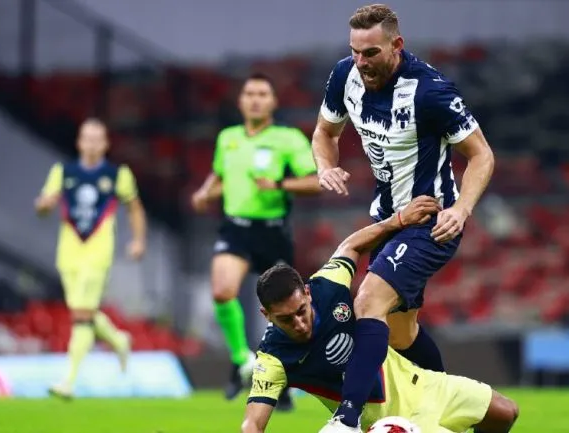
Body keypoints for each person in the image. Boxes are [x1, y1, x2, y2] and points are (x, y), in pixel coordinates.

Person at [310, 4, 495, 429]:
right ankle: (460, 410)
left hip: (430, 221)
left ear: (397, 45)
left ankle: (347, 419)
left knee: (368, 301)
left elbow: (481, 154)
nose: (361, 62)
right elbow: (324, 133)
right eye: (355, 52)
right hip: (388, 221)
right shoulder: (344, 76)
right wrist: (325, 166)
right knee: (401, 335)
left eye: (371, 53)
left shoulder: (430, 91)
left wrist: (461, 209)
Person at [241, 196, 518, 433]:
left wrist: (397, 221)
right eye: (286, 320)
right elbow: (253, 424)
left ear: (307, 292)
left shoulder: (326, 285)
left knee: (506, 412)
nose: (299, 323)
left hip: (423, 383)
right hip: (388, 422)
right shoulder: (273, 358)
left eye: (301, 311)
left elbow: (350, 246)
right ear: (267, 315)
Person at [191, 72, 321, 404]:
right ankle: (241, 359)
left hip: (273, 231)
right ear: (241, 101)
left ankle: (283, 372)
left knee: (285, 308)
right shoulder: (228, 138)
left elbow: (314, 181)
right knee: (222, 291)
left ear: (273, 102)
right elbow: (221, 176)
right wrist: (206, 193)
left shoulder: (288, 138)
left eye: (263, 94)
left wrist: (278, 185)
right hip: (235, 228)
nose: (255, 99)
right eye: (250, 93)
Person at [34, 118, 147, 399]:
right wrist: (43, 205)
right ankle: (119, 339)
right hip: (69, 253)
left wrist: (138, 240)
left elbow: (134, 208)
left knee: (81, 317)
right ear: (79, 142)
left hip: (98, 252)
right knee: (81, 313)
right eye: (88, 138)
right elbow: (44, 203)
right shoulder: (63, 171)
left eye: (98, 139)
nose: (92, 144)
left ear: (106, 143)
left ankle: (68, 381)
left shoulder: (118, 174)